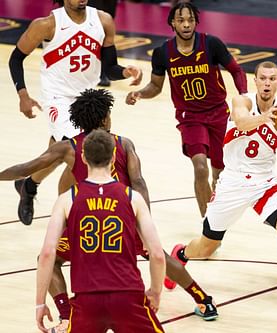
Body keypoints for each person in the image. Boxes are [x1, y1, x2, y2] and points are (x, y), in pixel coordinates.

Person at [0, 89, 218, 332]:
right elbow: (139, 183)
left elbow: (25, 168)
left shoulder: (69, 147)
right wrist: (142, 220)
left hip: (88, 219)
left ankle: (66, 314)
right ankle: (204, 299)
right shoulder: (123, 143)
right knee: (158, 255)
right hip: (124, 214)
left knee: (48, 260)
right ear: (105, 119)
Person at [164, 61, 277, 316]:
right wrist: (265, 118)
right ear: (255, 81)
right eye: (263, 78)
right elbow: (242, 122)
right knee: (207, 247)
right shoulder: (242, 101)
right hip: (232, 183)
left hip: (264, 183)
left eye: (272, 79)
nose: (267, 83)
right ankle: (181, 254)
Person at [8, 0, 143, 226]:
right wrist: (23, 95)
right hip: (58, 97)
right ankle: (67, 220)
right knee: (79, 151)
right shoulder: (47, 24)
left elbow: (109, 68)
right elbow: (16, 58)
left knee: (58, 151)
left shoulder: (103, 21)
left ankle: (28, 185)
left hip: (88, 98)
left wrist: (125, 71)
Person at [35, 129, 166, 332]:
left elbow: (46, 254)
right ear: (113, 157)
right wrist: (156, 291)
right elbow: (157, 254)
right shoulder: (132, 198)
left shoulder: (67, 199)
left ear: (83, 157)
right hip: (128, 297)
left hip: (86, 301)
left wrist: (40, 303)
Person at [126, 2, 248, 217]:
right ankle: (207, 221)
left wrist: (244, 96)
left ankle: (217, 214)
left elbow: (236, 71)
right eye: (181, 20)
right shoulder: (163, 52)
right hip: (189, 117)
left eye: (190, 20)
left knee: (220, 173)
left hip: (218, 112)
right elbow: (155, 86)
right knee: (200, 166)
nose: (186, 24)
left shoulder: (211, 44)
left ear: (196, 22)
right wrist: (140, 94)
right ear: (172, 22)